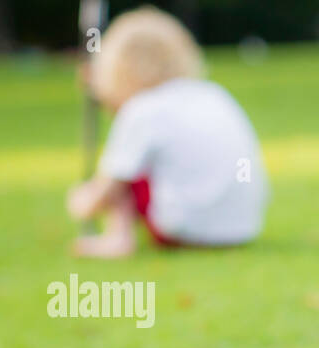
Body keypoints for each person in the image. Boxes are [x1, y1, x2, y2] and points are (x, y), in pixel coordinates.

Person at [65, 6, 269, 258]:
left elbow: (112, 183)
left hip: (182, 229)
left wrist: (83, 202)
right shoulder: (213, 94)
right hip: (242, 228)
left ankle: (118, 239)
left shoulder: (142, 110)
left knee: (128, 163)